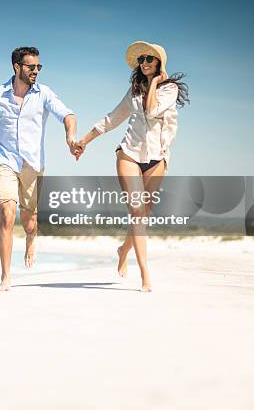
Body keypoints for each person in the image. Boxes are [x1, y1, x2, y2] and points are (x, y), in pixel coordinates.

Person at [74, 41, 189, 292]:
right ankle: (146, 275)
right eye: (141, 60)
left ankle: (123, 250)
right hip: (129, 154)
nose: (145, 63)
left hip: (157, 157)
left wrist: (156, 84)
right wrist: (84, 141)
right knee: (137, 212)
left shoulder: (169, 91)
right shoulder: (134, 90)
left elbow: (151, 112)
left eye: (150, 59)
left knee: (144, 215)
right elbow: (113, 118)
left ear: (159, 63)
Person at [0, 46, 77, 291]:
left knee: (29, 222)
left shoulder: (44, 94)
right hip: (5, 161)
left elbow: (68, 115)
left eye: (39, 67)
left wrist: (70, 137)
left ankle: (31, 237)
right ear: (16, 67)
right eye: (31, 67)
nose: (36, 71)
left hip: (33, 164)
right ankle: (5, 276)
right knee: (7, 215)